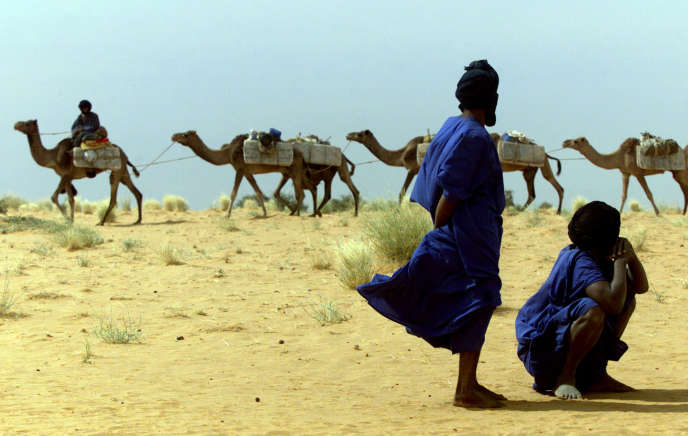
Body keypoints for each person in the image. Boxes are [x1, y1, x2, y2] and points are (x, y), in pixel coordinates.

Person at [357, 60, 505, 408]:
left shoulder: (450, 127)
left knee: (474, 302)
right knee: (480, 299)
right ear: (491, 99)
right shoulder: (473, 137)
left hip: (468, 235)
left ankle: (469, 383)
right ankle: (465, 389)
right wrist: (445, 226)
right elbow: (452, 188)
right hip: (465, 238)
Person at [515, 201, 649, 400]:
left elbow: (640, 287)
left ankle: (596, 375)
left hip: (559, 340)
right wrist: (621, 262)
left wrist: (631, 256)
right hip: (541, 351)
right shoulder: (580, 260)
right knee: (593, 310)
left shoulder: (596, 256)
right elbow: (613, 304)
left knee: (627, 298)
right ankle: (565, 378)